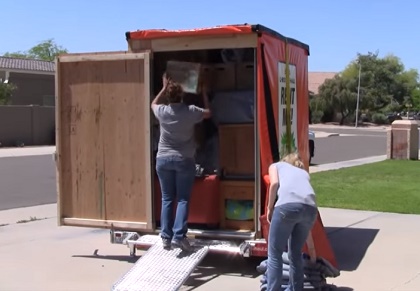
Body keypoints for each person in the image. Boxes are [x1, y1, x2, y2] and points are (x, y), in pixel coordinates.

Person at [151, 73, 211, 252]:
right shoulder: (191, 111)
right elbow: (209, 113)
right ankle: (179, 236)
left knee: (167, 198)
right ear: (183, 95)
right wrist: (204, 93)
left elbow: (153, 103)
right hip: (184, 159)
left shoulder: (162, 111)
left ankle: (166, 237)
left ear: (168, 96)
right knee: (183, 199)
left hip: (163, 159)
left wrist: (162, 88)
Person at [265, 152, 318, 291]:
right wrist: (312, 251)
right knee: (295, 253)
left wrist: (269, 208)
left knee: (274, 253)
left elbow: (274, 183)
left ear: (284, 160)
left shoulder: (276, 165)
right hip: (310, 210)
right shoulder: (304, 173)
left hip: (286, 207)